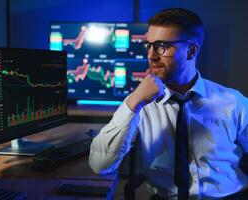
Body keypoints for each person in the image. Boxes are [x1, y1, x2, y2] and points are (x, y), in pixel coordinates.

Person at [89, 8, 248, 199]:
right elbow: (100, 166)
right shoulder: (139, 104)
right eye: (148, 45)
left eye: (161, 46)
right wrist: (133, 102)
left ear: (191, 51)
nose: (151, 55)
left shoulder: (233, 102)